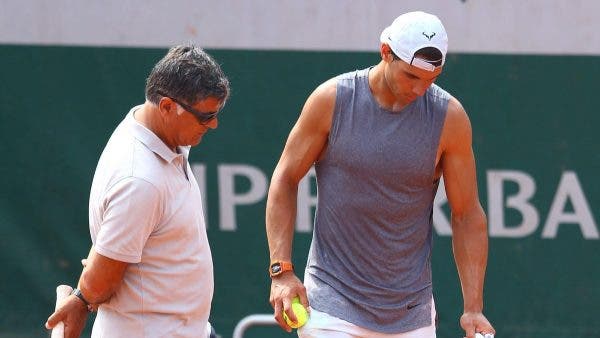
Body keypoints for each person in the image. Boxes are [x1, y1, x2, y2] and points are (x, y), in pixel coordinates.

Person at [266, 11, 495, 338]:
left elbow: (467, 214)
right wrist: (281, 272)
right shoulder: (331, 100)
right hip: (331, 304)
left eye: (431, 80)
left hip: (411, 313)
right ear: (385, 51)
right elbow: (285, 178)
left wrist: (473, 307)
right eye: (411, 77)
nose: (420, 90)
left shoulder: (449, 118)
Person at [45, 44, 230, 338]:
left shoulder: (161, 131)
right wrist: (82, 299)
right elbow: (101, 282)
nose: (214, 124)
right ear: (167, 107)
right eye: (206, 116)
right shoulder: (140, 181)